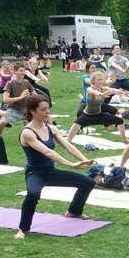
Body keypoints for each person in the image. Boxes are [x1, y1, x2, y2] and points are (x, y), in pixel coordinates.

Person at [15, 96, 95, 239]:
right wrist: (71, 164)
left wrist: (84, 160)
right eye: (43, 109)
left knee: (88, 182)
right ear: (32, 111)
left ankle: (73, 212)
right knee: (33, 194)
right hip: (35, 173)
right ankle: (22, 228)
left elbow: (68, 146)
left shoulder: (51, 128)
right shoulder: (27, 132)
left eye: (48, 109)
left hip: (51, 172)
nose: (47, 112)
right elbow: (48, 152)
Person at [66, 71, 129, 143]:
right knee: (75, 125)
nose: (100, 81)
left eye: (101, 79)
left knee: (120, 121)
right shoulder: (89, 89)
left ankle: (124, 139)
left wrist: (119, 92)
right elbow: (94, 92)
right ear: (93, 81)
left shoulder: (104, 89)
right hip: (87, 115)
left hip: (99, 114)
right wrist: (101, 94)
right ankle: (67, 141)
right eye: (98, 80)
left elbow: (113, 90)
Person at [0, 62, 38, 135]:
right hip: (14, 109)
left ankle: (31, 133)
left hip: (27, 109)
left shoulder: (26, 82)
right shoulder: (10, 83)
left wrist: (30, 98)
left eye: (24, 70)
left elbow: (36, 97)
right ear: (15, 72)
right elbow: (5, 100)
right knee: (3, 122)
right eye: (21, 71)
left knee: (45, 118)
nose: (23, 72)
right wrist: (21, 97)